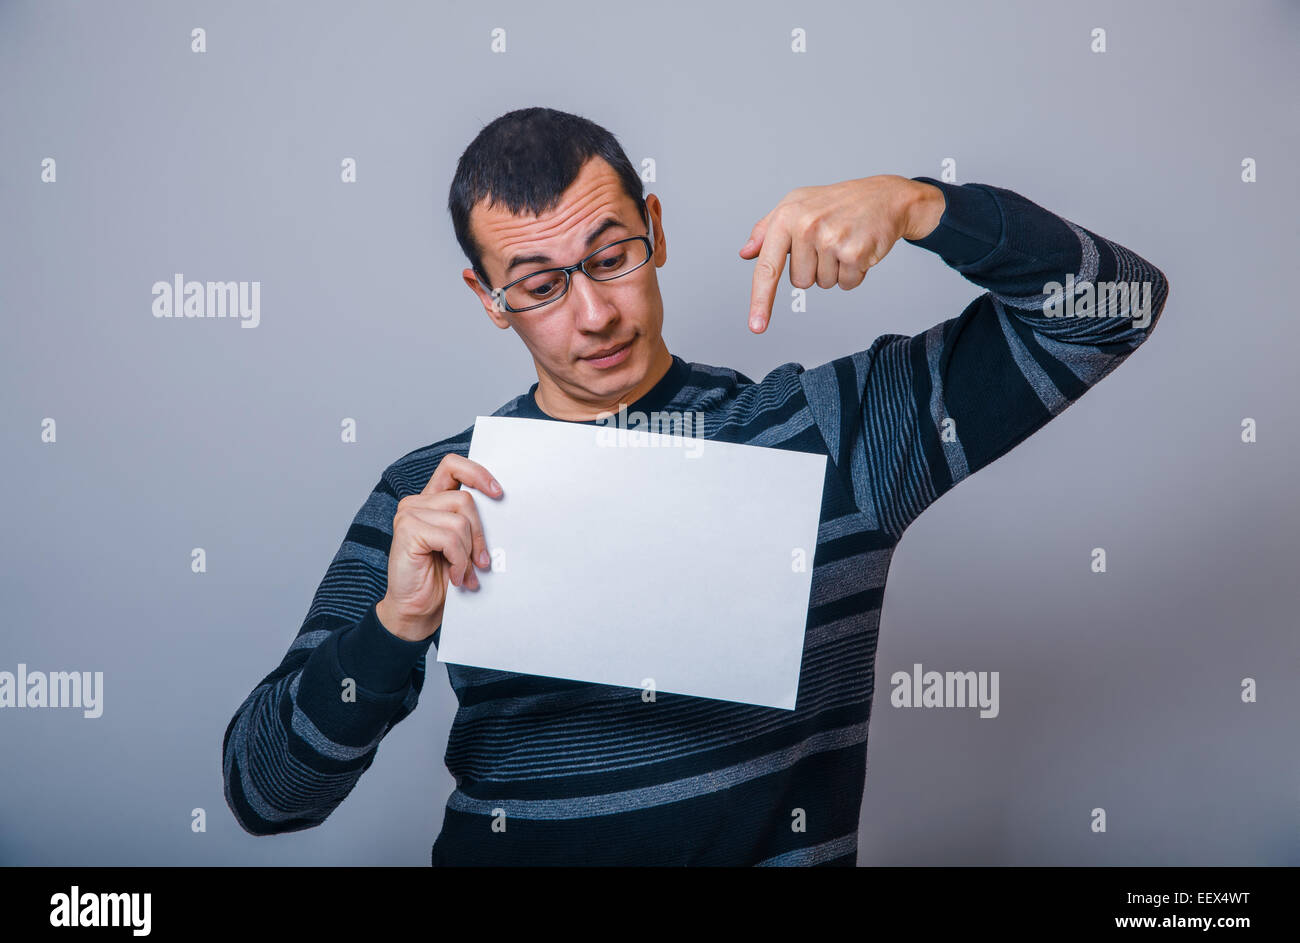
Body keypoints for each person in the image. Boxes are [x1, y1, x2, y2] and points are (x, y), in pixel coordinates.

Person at [222, 106, 1168, 866]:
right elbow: (265, 797)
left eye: (610, 257)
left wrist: (924, 206)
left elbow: (1116, 310)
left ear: (657, 231)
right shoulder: (436, 492)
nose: (592, 314)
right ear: (487, 299)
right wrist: (391, 630)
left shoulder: (832, 435)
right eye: (540, 286)